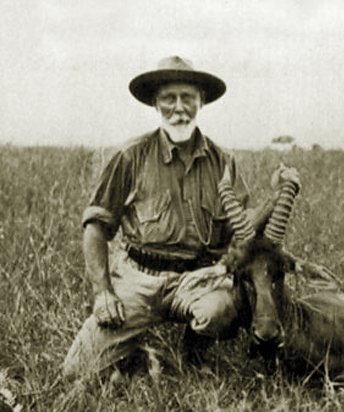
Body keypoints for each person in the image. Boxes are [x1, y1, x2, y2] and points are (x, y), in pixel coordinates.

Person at [62, 56, 298, 379]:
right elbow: (95, 228)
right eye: (168, 99)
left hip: (197, 279)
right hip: (139, 278)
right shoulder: (129, 156)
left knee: (222, 310)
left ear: (201, 101)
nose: (178, 108)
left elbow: (243, 228)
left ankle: (192, 350)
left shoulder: (223, 161)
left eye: (187, 98)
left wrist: (279, 193)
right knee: (76, 371)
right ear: (155, 104)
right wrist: (102, 291)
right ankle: (143, 355)